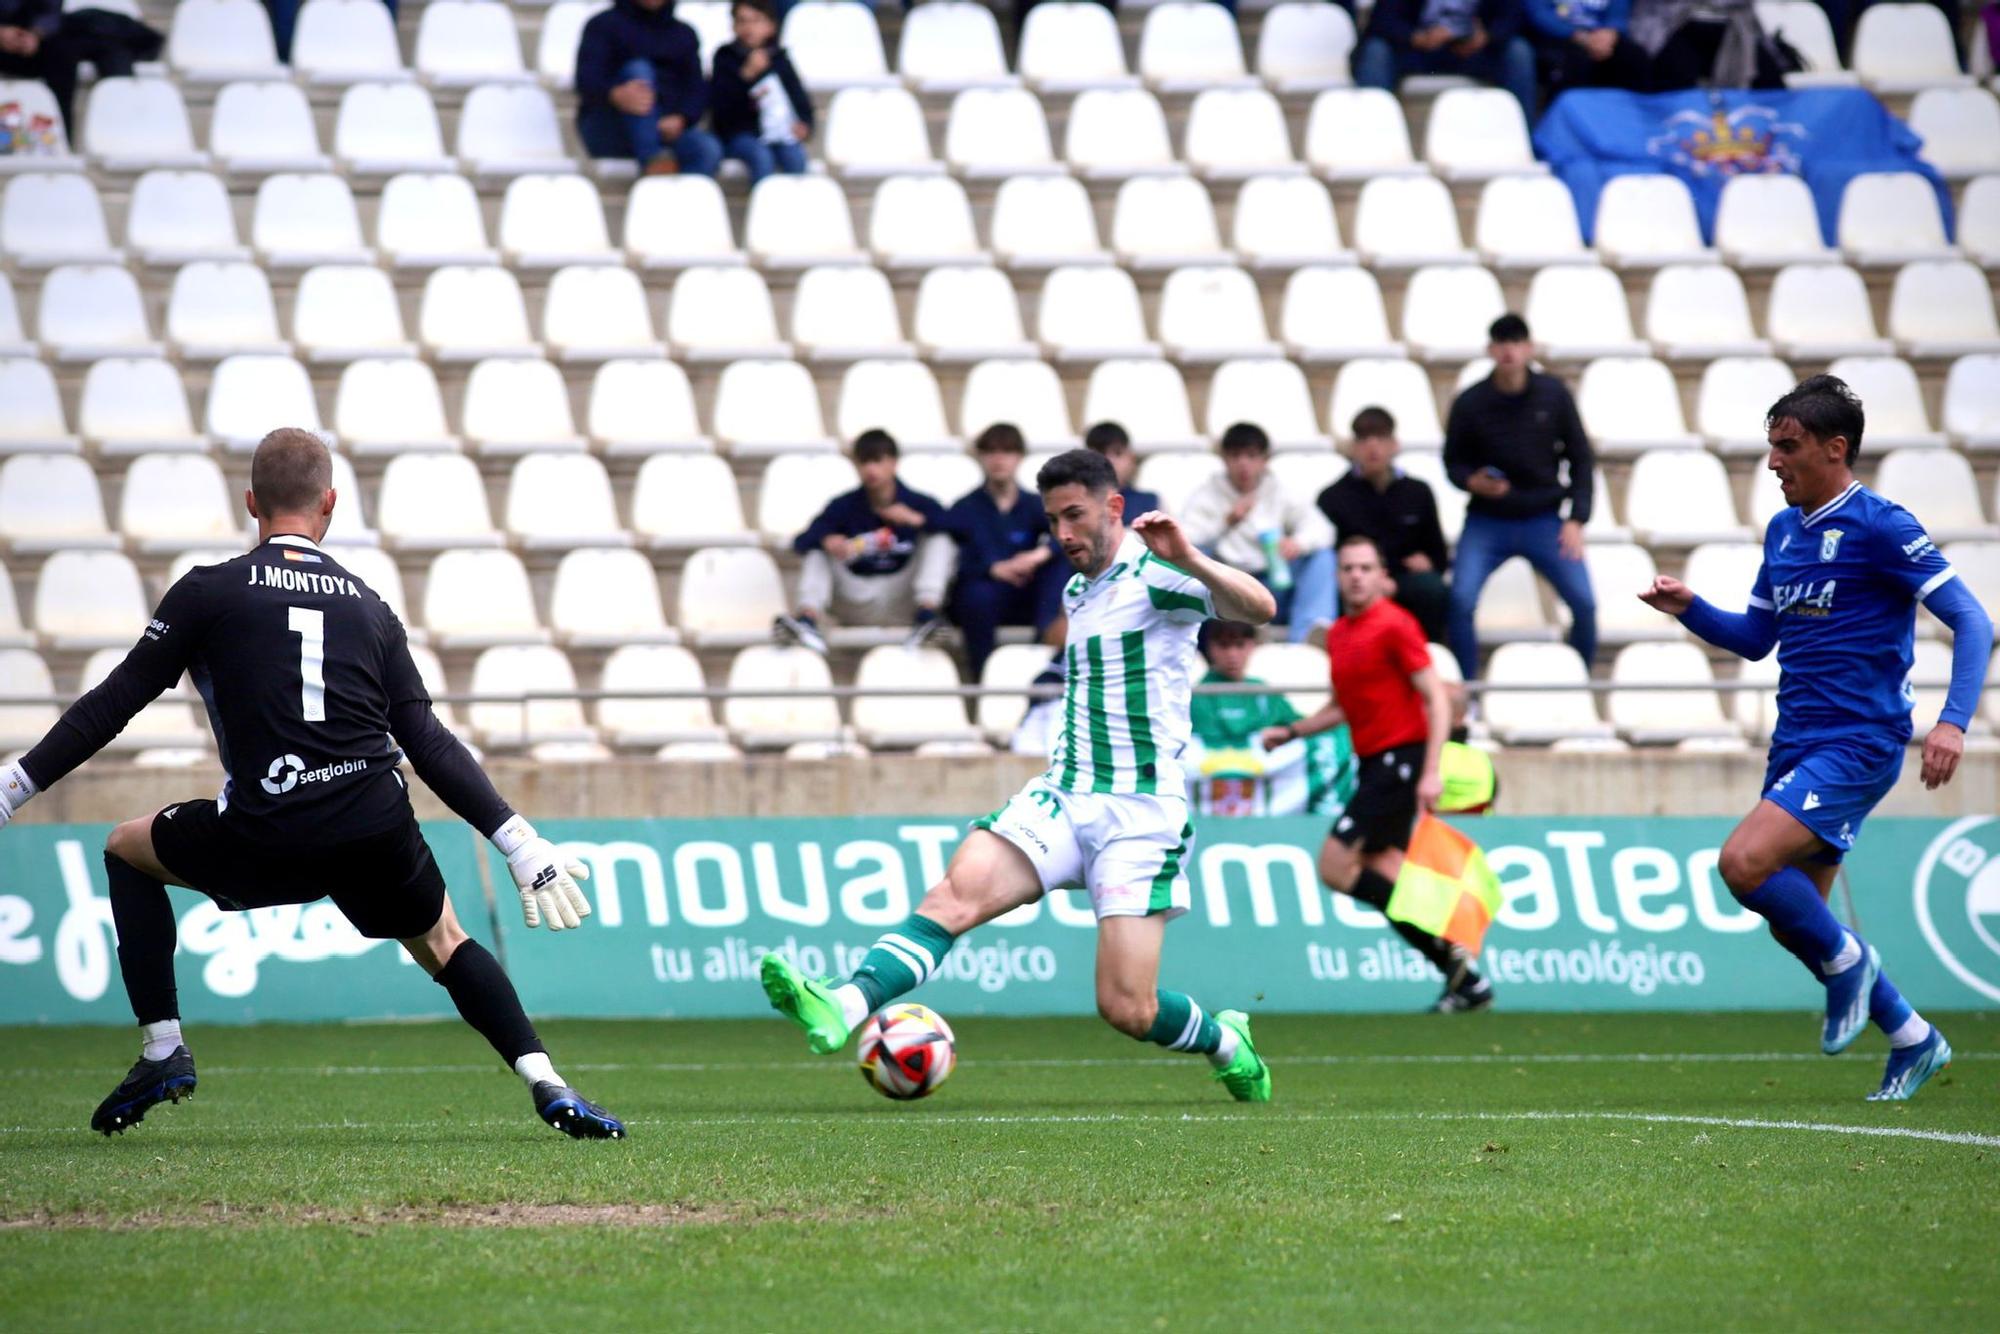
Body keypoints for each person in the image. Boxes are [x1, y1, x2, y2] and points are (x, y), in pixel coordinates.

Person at [0, 430, 623, 1140]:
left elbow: (114, 702)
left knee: (124, 848)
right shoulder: (370, 607)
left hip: (266, 832)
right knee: (445, 941)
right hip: (371, 822)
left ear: (250, 503)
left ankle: (164, 1050)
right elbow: (426, 740)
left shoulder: (208, 591)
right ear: (330, 504)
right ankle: (548, 1082)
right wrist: (518, 840)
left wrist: (13, 788)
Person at [760, 448, 1279, 1102]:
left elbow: (1257, 608)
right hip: (1064, 796)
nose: (1062, 534)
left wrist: (1193, 557)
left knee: (1128, 1008)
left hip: (1139, 815)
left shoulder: (1160, 576)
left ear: (1113, 508)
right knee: (953, 896)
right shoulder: (1076, 588)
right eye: (1052, 519)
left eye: (1074, 516)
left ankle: (1227, 1041)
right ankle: (842, 1001)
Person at [1639, 375, 1991, 1101]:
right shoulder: (1782, 532)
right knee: (1792, 913)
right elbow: (1755, 638)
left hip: (1858, 741)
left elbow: (1973, 620)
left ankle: (1855, 970)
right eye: (1770, 446)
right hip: (1794, 741)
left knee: (1742, 862)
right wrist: (1689, 608)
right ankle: (1913, 1038)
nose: (1772, 461)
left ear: (1836, 449)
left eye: (1787, 446)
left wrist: (1953, 719)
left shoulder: (1882, 525)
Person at [1267, 535, 1495, 1013]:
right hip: (1375, 763)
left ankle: (1456, 961)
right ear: (1338, 575)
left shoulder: (1395, 625)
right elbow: (1344, 706)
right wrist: (1294, 731)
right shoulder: (1341, 636)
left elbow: (1435, 697)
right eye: (1348, 567)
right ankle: (1462, 973)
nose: (1356, 575)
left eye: (1365, 567)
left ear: (1380, 575)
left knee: (1334, 865)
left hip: (1401, 759)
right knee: (1385, 871)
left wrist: (1430, 770)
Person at [1443, 314, 1597, 680]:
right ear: (1490, 350)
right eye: (1502, 343)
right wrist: (1473, 482)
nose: (1509, 351)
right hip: (1487, 518)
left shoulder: (1554, 394)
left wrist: (1577, 518)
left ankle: (1581, 682)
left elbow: (1581, 457)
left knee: (1585, 603)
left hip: (1543, 518)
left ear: (1529, 348)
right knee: (1460, 600)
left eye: (1516, 342)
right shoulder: (1470, 401)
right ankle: (1468, 690)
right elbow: (1452, 464)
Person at [777, 429, 956, 655]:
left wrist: (916, 520)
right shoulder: (844, 505)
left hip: (905, 597)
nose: (871, 469)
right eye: (864, 462)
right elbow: (801, 542)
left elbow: (960, 529)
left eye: (878, 461)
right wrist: (828, 540)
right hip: (857, 597)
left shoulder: (918, 502)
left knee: (940, 537)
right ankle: (807, 620)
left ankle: (927, 615)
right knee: (817, 548)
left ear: (893, 463)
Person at [1181, 423, 1336, 643]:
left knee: (1321, 557)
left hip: (1274, 583)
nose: (1244, 464)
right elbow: (1183, 541)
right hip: (1227, 587)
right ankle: (1246, 627)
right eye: (1236, 456)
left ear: (1265, 460)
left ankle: (1308, 633)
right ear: (1225, 459)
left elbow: (1323, 529)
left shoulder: (1279, 491)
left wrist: (1298, 543)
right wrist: (1226, 522)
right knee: (1195, 555)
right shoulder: (1208, 494)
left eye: (1252, 456)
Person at [1189, 620, 1358, 819]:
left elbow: (1298, 724)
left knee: (1335, 738)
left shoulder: (1264, 691)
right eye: (1224, 646)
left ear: (1252, 646)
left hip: (1261, 766)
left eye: (1239, 645)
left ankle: (1326, 818)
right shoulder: (1195, 694)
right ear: (1210, 647)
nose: (1232, 654)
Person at [1316, 407, 1452, 642]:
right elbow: (1333, 555)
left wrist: (1427, 563)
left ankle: (1432, 656)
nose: (1373, 446)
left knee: (1433, 590)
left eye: (1380, 438)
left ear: (1394, 444)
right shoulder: (1332, 497)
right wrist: (1370, 579)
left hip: (1405, 580)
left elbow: (1437, 554)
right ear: (1353, 447)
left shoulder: (1418, 492)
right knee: (1330, 591)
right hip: (1356, 579)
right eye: (1364, 439)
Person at [943, 423, 1065, 679]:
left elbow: (1067, 532)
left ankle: (1045, 657)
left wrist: (1037, 556)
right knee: (975, 594)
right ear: (980, 457)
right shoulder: (965, 507)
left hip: (1027, 592)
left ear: (1019, 457)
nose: (999, 460)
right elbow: (955, 562)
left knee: (1061, 563)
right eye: (991, 452)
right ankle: (983, 678)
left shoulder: (1035, 504)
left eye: (1007, 451)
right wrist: (993, 569)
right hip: (984, 596)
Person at [574, 0, 724, 176]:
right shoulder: (602, 26)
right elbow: (586, 79)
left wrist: (682, 118)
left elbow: (696, 87)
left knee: (707, 149)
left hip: (666, 129)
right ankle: (653, 159)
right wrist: (614, 94)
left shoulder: (684, 34)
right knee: (638, 70)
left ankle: (675, 200)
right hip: (612, 126)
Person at [1, 0, 160, 142]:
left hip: (34, 42)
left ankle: (61, 137)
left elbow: (51, 12)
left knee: (72, 49)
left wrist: (36, 34)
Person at [1353, 0, 1540, 120]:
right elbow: (1381, 20)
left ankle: (1523, 136)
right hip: (1418, 50)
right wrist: (1415, 37)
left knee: (1518, 52)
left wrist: (1486, 37)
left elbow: (1514, 18)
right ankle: (1369, 129)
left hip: (1472, 52)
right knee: (1376, 51)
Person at [709, 0, 812, 184]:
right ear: (733, 25)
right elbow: (721, 109)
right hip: (739, 134)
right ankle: (763, 208)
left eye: (756, 20)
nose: (749, 27)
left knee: (795, 156)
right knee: (761, 156)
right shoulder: (725, 57)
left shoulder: (779, 59)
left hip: (778, 132)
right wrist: (745, 76)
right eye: (742, 21)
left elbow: (798, 97)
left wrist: (805, 124)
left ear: (771, 26)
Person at [1526, 0, 1653, 94]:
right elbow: (1538, 14)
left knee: (1633, 57)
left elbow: (1618, 13)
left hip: (1601, 36)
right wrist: (1578, 36)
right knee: (1576, 60)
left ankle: (1637, 121)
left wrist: (1610, 32)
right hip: (1558, 37)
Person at [1084, 421, 1160, 519]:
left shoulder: (1152, 504)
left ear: (1131, 458)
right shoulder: (1075, 504)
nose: (1109, 460)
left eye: (1117, 453)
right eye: (1101, 453)